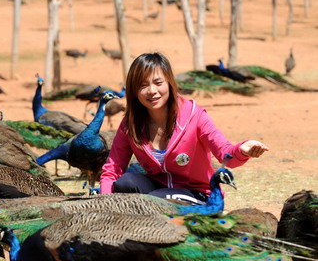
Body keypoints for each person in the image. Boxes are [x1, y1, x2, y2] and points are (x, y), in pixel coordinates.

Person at [99, 52, 268, 204]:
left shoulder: (195, 115)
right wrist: (104, 202)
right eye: (143, 86)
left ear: (169, 83)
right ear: (134, 91)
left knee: (155, 200)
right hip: (157, 190)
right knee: (124, 184)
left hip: (198, 195)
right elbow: (112, 170)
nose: (152, 91)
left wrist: (242, 150)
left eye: (158, 82)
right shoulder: (131, 124)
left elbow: (225, 154)